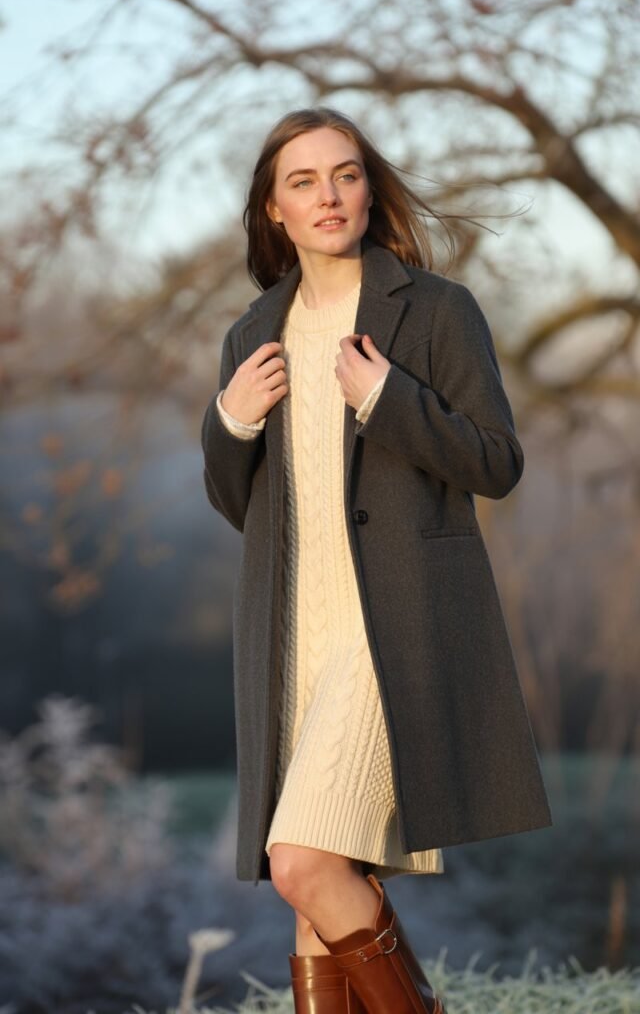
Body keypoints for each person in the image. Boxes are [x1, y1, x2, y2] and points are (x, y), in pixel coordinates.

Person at [200, 107, 552, 1014]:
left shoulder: (434, 311)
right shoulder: (253, 336)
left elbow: (496, 463)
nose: (329, 196)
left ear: (370, 186)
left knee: (302, 863)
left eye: (346, 175)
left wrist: (392, 398)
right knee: (318, 893)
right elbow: (244, 507)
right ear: (273, 209)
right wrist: (230, 422)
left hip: (391, 631)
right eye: (304, 182)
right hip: (292, 641)